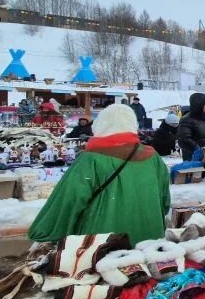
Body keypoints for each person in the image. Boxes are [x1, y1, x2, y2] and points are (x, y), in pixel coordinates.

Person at [27, 104, 170, 245]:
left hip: (104, 246)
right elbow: (165, 203)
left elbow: (68, 201)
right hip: (150, 246)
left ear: (101, 125)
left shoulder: (90, 159)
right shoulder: (153, 157)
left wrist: (43, 232)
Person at [177, 92, 205, 161]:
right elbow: (185, 139)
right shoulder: (186, 120)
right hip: (193, 158)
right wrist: (198, 150)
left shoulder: (204, 120)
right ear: (199, 105)